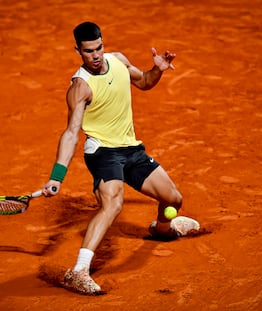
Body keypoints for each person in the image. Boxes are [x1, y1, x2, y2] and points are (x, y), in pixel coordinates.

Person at [42, 21, 199, 295]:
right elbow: (70, 134)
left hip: (131, 149)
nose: (96, 55)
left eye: (99, 47)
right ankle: (78, 271)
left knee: (173, 199)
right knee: (113, 204)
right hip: (102, 152)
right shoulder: (81, 87)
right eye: (88, 51)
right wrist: (57, 176)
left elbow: (145, 82)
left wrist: (157, 70)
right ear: (78, 50)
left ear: (103, 43)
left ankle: (162, 229)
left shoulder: (119, 61)